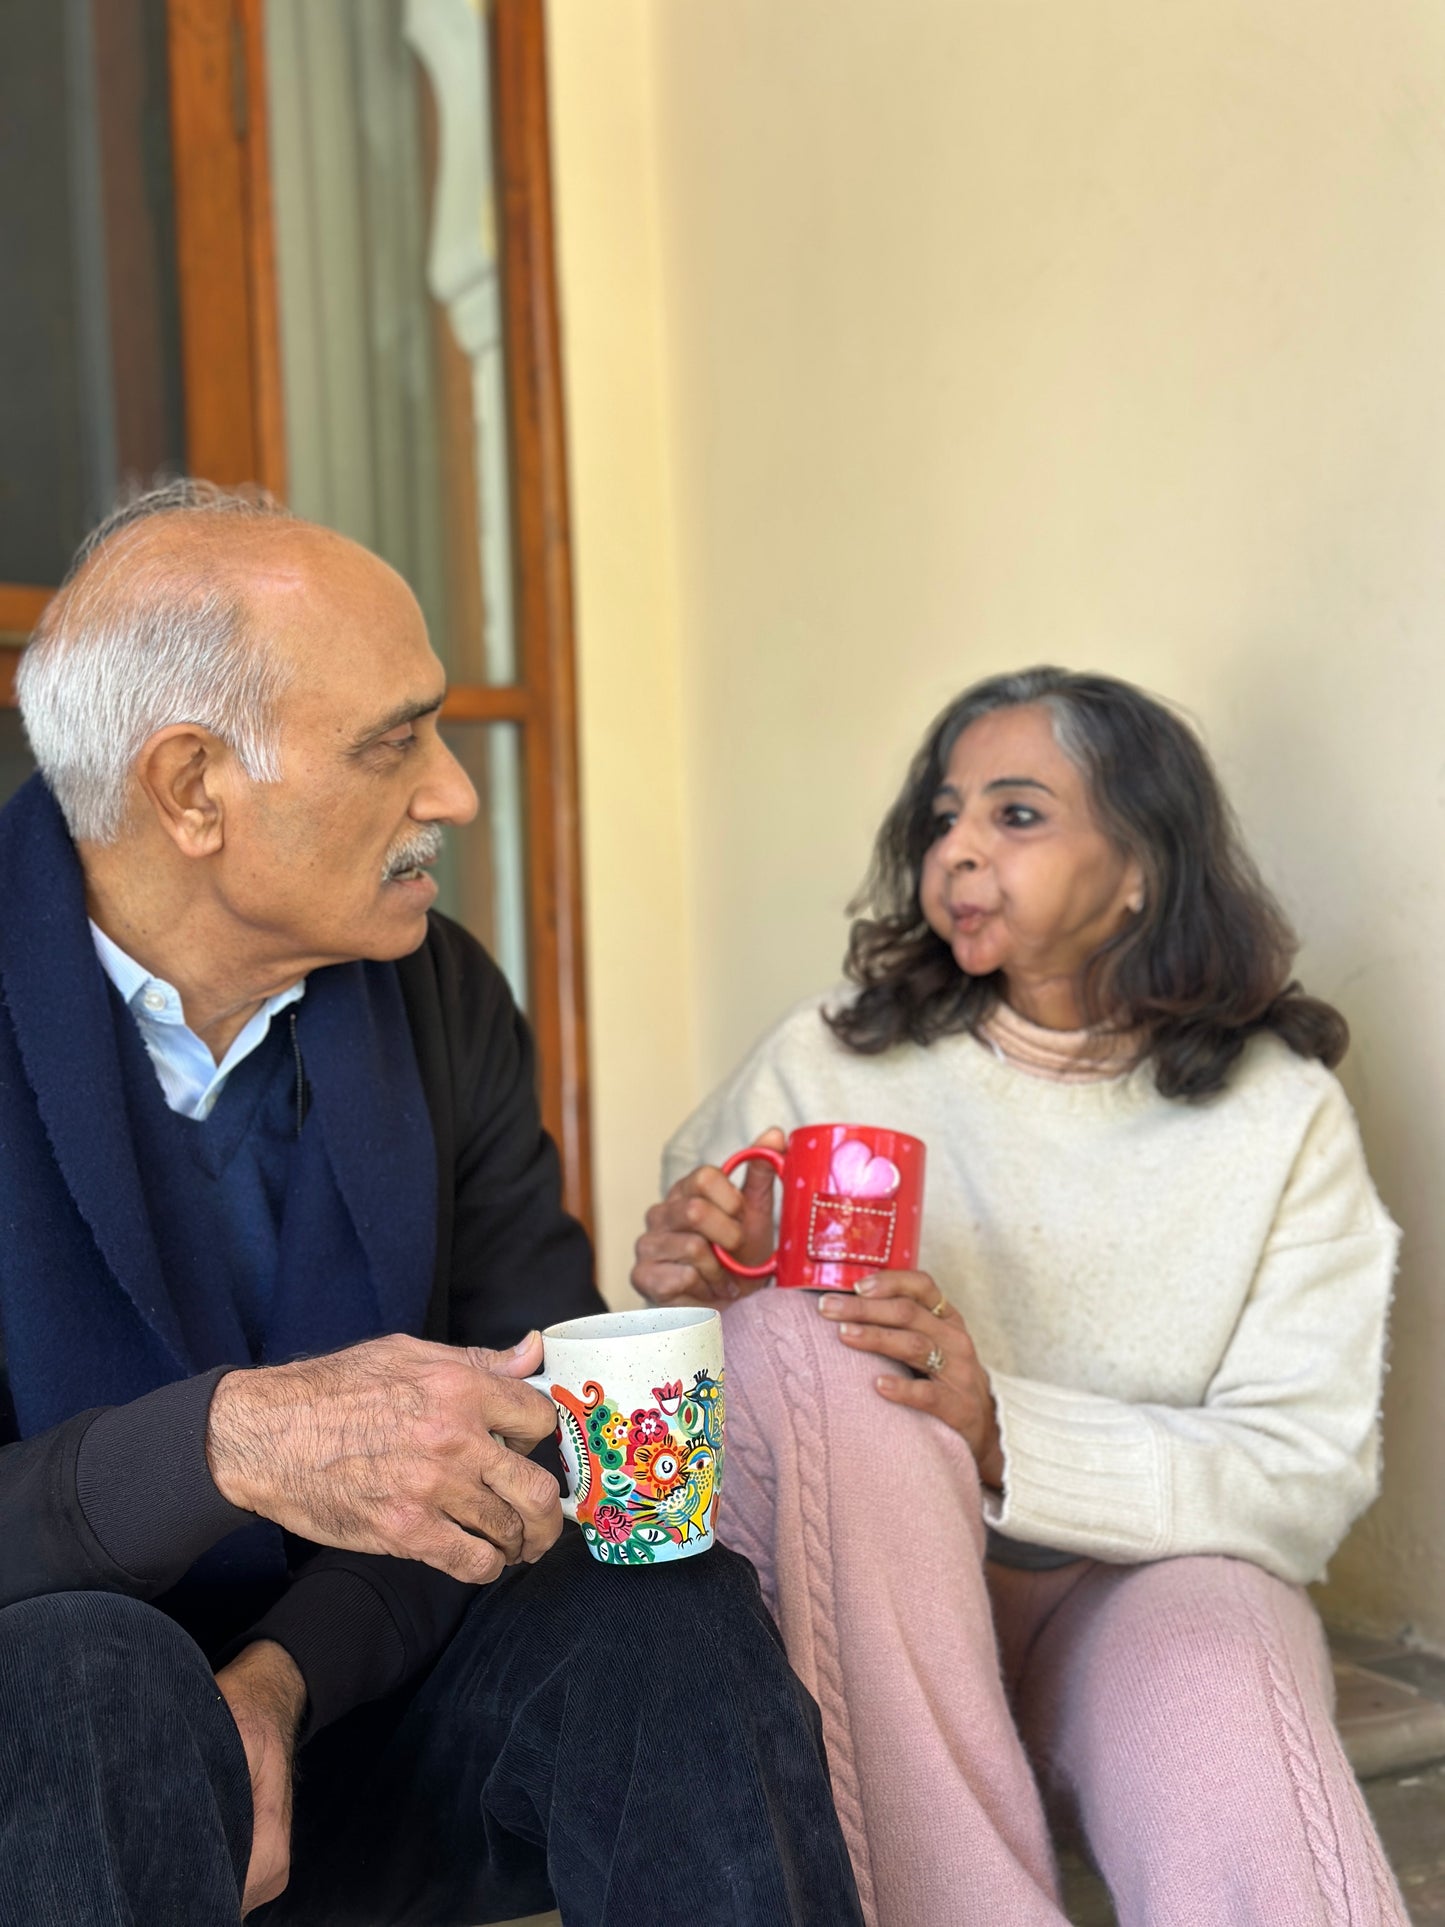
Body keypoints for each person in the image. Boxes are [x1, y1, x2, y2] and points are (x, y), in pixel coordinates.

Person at [0, 481, 864, 1927]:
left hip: (355, 1699)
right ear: (192, 786)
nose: (456, 791)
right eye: (393, 742)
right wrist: (222, 1443)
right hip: (53, 1770)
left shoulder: (437, 989)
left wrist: (277, 1686)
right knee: (89, 1675)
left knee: (667, 1596)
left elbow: (537, 1424)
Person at [634, 667, 1407, 1926]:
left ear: (1140, 867)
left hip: (1142, 1581)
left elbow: (1301, 1469)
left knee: (1220, 1681)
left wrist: (1003, 1433)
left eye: (1016, 814)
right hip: (863, 1581)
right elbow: (726, 1396)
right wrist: (708, 1283)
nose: (957, 851)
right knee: (820, 1345)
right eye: (943, 817)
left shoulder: (1279, 1112)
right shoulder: (828, 1056)